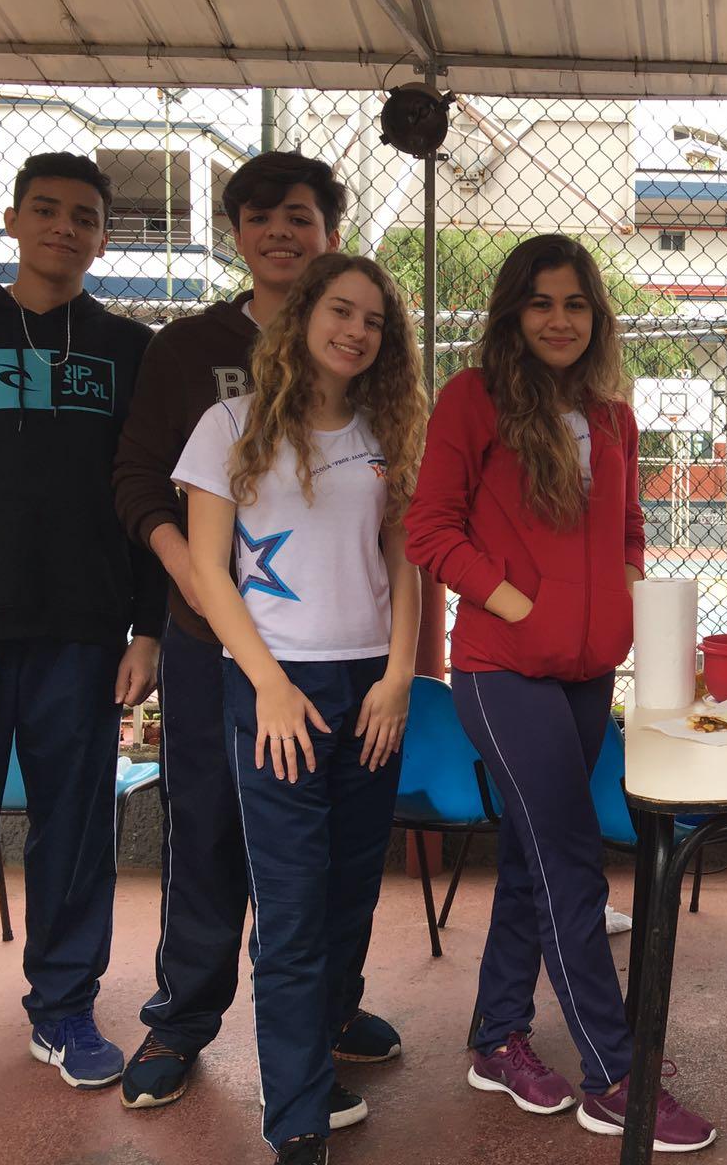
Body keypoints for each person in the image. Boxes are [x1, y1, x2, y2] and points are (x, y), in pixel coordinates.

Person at [404, 234, 715, 1153]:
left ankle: (497, 1037)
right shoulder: (473, 400)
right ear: (513, 312)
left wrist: (624, 601)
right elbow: (430, 526)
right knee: (573, 860)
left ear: (596, 315)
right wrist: (515, 602)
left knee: (532, 860)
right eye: (541, 303)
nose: (559, 320)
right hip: (502, 672)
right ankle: (615, 1075)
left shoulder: (609, 414)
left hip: (586, 675)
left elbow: (628, 525)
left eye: (576, 304)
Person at [114, 151, 402, 1109]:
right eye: (262, 215)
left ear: (327, 241)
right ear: (238, 231)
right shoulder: (190, 352)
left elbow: (401, 550)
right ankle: (184, 1020)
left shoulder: (378, 405)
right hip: (222, 647)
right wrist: (193, 588)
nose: (282, 230)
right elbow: (142, 484)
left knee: (340, 862)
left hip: (342, 656)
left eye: (303, 216)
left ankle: (325, 1014)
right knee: (210, 838)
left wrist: (401, 668)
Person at [172, 254, 426, 1164]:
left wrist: (399, 676)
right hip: (275, 686)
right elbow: (210, 570)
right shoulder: (228, 425)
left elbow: (406, 564)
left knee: (351, 887)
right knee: (289, 904)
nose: (356, 330)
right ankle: (297, 1118)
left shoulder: (385, 428)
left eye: (373, 320)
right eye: (340, 310)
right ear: (301, 316)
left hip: (370, 687)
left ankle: (318, 1051)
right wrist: (269, 683)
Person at [0, 152, 163, 1089]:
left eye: (84, 216)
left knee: (73, 827)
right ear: (13, 220)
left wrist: (149, 626)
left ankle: (61, 1010)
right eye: (46, 211)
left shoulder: (128, 347)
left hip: (85, 631)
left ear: (103, 236)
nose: (64, 227)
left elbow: (145, 496)